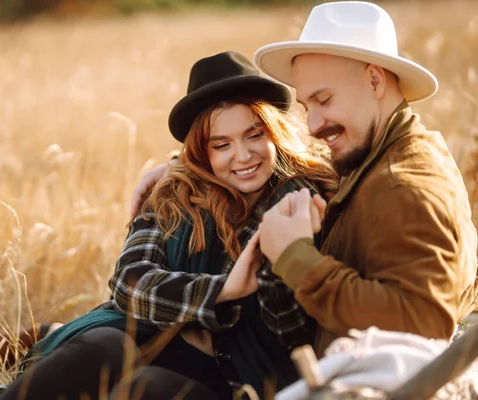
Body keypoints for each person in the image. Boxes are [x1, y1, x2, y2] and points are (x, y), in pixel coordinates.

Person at [0, 51, 338, 400]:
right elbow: (130, 282)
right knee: (100, 347)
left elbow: (285, 326)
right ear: (201, 153)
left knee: (147, 388)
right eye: (221, 145)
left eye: (255, 135)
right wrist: (224, 289)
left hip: (230, 373)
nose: (243, 155)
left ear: (275, 134)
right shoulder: (174, 194)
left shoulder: (300, 199)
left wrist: (279, 259)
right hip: (149, 340)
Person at [133, 1, 478, 360]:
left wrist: (295, 256)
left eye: (324, 99)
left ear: (374, 80)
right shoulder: (373, 155)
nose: (313, 125)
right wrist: (184, 167)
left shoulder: (402, 184)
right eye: (306, 106)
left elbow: (426, 323)